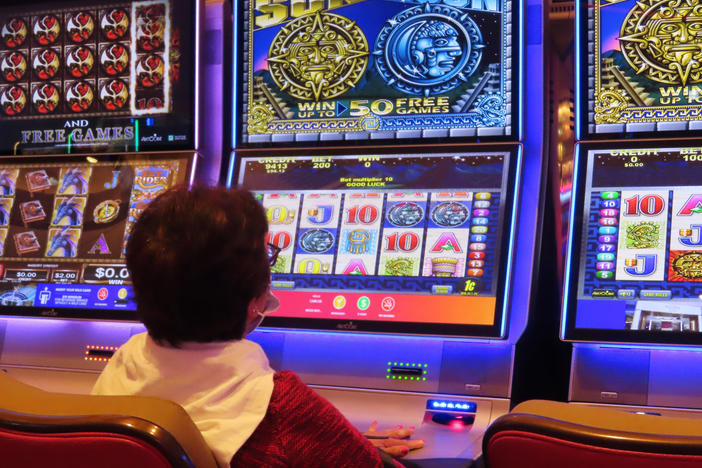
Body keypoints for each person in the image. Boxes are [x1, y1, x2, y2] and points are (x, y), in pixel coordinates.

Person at [91, 186, 424, 468]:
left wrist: (337, 437)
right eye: (267, 255)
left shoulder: (116, 375)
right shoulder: (284, 409)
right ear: (254, 299)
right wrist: (340, 443)